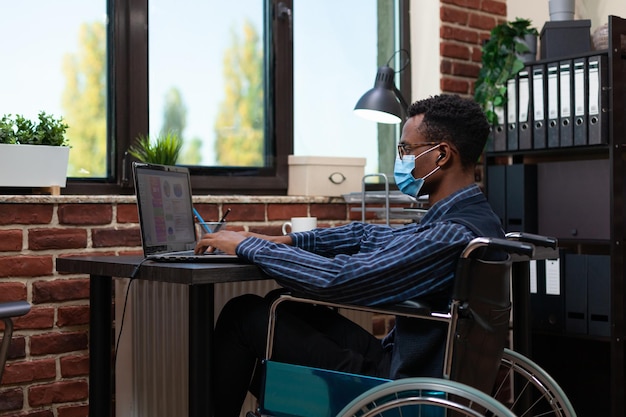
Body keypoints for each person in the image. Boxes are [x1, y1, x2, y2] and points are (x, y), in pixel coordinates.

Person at [195, 94, 504, 417]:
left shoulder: (451, 234)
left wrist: (248, 247)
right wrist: (278, 240)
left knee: (244, 316)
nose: (401, 160)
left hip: (404, 387)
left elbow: (339, 280)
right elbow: (366, 235)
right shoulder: (470, 219)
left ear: (441, 154)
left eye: (406, 150)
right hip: (412, 362)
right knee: (278, 304)